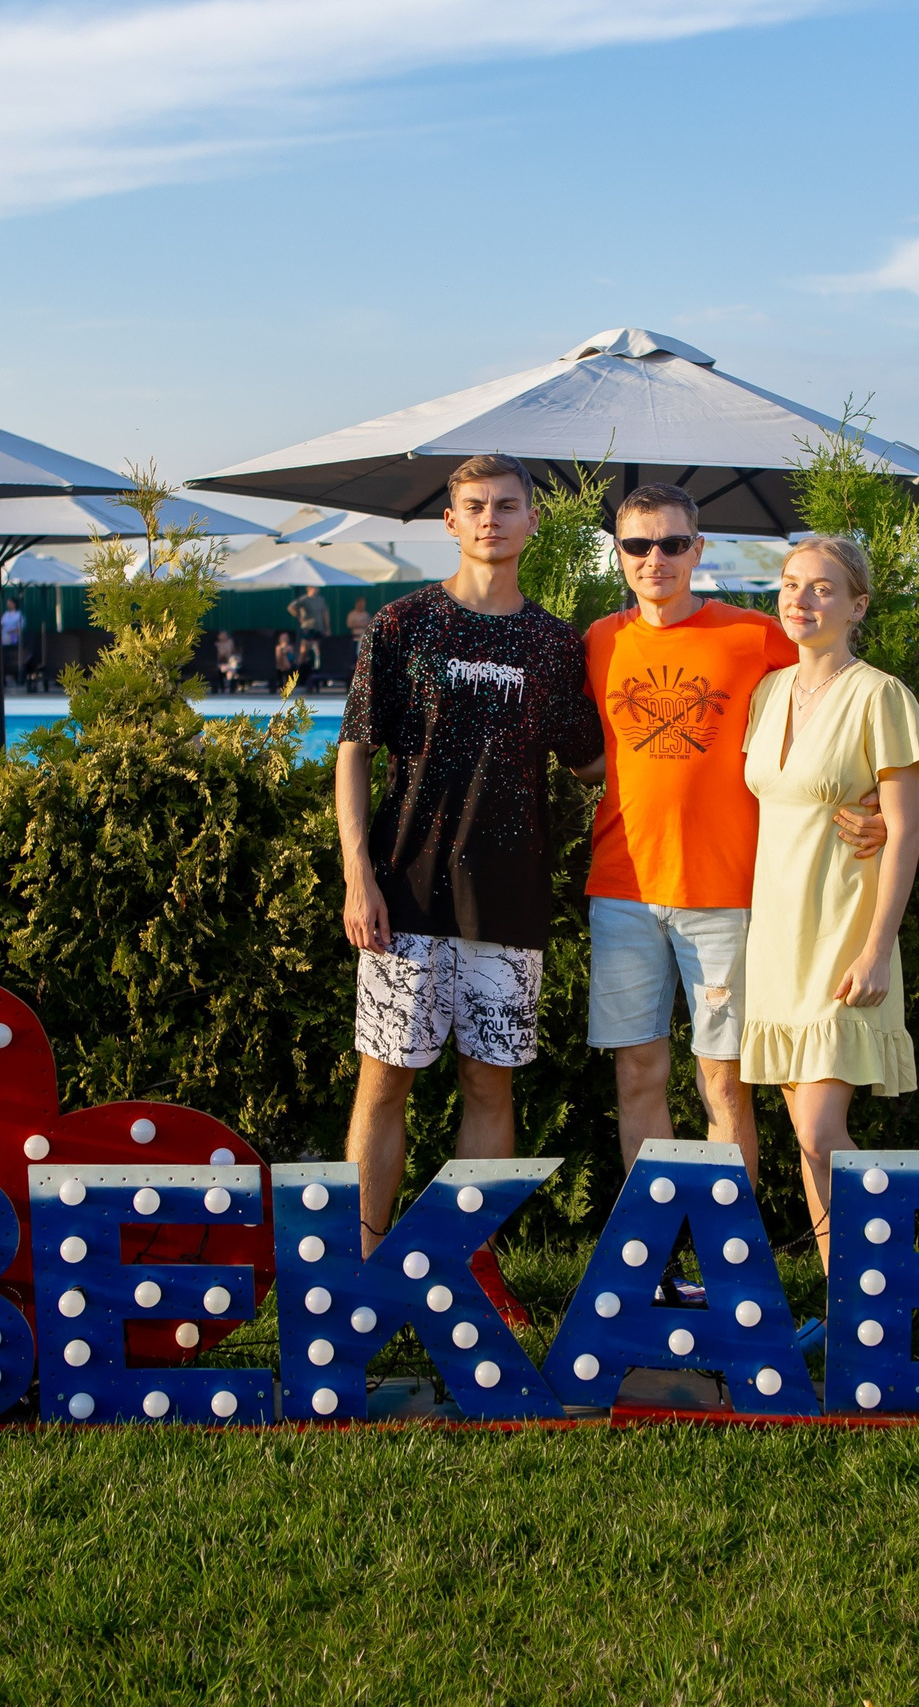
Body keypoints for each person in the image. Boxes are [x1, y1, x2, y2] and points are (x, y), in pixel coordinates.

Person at [336, 453, 604, 1329]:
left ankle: (467, 1267)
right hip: (403, 897)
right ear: (450, 522)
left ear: (533, 523)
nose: (491, 518)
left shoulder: (558, 645)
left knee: (492, 1090)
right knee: (384, 1085)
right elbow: (354, 753)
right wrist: (357, 874)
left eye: (507, 505)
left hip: (510, 903)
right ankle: (365, 1266)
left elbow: (604, 766)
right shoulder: (403, 625)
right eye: (475, 506)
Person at [581, 484, 883, 1219]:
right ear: (618, 554)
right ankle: (651, 1262)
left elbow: (838, 690)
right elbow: (586, 753)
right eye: (638, 545)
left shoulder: (754, 633)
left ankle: (729, 1267)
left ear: (698, 549)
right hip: (621, 890)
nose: (656, 559)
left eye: (673, 543)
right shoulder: (599, 640)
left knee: (724, 1084)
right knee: (638, 1078)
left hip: (726, 895)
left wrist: (875, 796)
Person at [739, 536, 919, 1268]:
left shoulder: (880, 695)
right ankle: (843, 1295)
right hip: (775, 945)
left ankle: (892, 1283)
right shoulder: (766, 693)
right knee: (807, 1142)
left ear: (857, 606)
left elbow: (906, 827)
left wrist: (878, 946)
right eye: (791, 584)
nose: (801, 599)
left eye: (823, 588)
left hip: (843, 939)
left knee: (824, 1132)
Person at [1, 595, 25, 680]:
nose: (9, 604)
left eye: (10, 603)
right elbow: (1, 624)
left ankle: (14, 673)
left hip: (14, 639)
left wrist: (12, 632)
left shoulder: (19, 614)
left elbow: (20, 627)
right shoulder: (6, 614)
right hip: (4, 639)